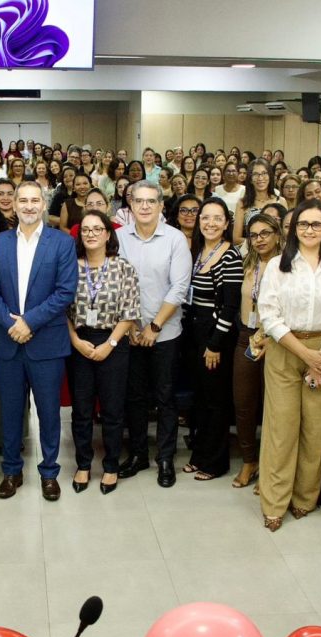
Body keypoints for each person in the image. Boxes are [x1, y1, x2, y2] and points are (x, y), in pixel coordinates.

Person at [257, 200, 321, 531]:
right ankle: (274, 501)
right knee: (281, 428)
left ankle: (305, 498)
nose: (309, 230)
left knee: (315, 430)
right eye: (303, 224)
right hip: (286, 348)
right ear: (293, 228)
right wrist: (305, 354)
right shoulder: (277, 266)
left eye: (316, 224)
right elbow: (268, 314)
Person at [0, 181, 77, 501]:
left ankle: (49, 472)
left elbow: (65, 292)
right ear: (14, 204)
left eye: (35, 200)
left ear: (44, 203)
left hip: (46, 342)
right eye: (22, 200)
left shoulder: (61, 243)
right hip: (8, 342)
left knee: (49, 413)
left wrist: (29, 322)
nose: (28, 205)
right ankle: (11, 470)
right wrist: (13, 324)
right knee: (9, 412)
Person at [117, 181, 192, 488]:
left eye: (151, 201)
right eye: (139, 201)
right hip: (130, 332)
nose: (145, 206)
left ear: (162, 206)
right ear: (130, 206)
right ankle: (137, 454)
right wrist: (134, 326)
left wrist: (154, 326)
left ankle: (164, 458)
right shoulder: (119, 238)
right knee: (133, 398)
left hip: (166, 333)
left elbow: (179, 287)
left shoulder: (175, 240)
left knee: (165, 398)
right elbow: (116, 282)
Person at [67, 210, 141, 494]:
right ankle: (83, 465)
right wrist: (75, 340)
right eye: (86, 229)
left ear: (108, 234)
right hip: (80, 343)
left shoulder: (123, 267)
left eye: (98, 229)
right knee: (82, 411)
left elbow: (130, 310)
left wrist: (109, 344)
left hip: (114, 342)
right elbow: (63, 309)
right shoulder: (71, 267)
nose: (91, 234)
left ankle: (111, 466)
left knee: (111, 411)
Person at [183, 198, 243, 481]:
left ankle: (215, 462)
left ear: (227, 223)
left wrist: (214, 344)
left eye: (217, 218)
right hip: (196, 331)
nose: (210, 223)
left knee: (216, 401)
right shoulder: (198, 251)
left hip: (215, 335)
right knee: (202, 398)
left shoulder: (230, 256)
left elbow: (231, 307)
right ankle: (199, 455)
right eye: (205, 218)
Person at [232, 213, 282, 489]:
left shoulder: (287, 266)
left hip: (276, 340)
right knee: (243, 403)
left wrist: (271, 336)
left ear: (277, 234)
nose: (259, 239)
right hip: (246, 338)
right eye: (253, 234)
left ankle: (270, 465)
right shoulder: (247, 264)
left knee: (272, 406)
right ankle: (249, 461)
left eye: (265, 233)